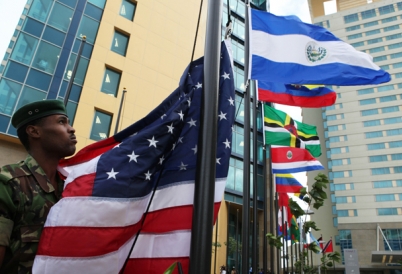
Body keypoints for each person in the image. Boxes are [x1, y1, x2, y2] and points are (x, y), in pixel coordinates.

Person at [0, 100, 77, 273]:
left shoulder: (73, 187)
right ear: (34, 131)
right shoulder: (9, 183)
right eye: (61, 122)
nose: (71, 128)